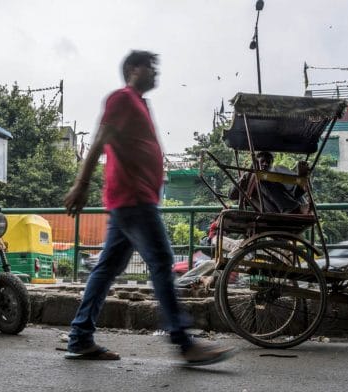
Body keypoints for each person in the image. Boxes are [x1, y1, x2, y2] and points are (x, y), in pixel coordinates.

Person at [63, 50, 235, 366]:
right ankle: (184, 342)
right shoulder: (122, 98)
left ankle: (80, 338)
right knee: (161, 261)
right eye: (150, 66)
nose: (156, 72)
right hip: (133, 199)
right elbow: (101, 140)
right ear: (133, 69)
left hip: (132, 199)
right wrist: (81, 184)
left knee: (106, 269)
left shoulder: (140, 103)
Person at [229, 151, 308, 214]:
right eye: (262, 161)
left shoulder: (276, 173)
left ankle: (297, 207)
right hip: (270, 209)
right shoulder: (249, 176)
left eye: (268, 162)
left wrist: (301, 176)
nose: (265, 164)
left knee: (278, 175)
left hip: (291, 204)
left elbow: (297, 193)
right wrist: (243, 179)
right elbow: (231, 195)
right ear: (256, 163)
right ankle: (292, 208)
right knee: (261, 176)